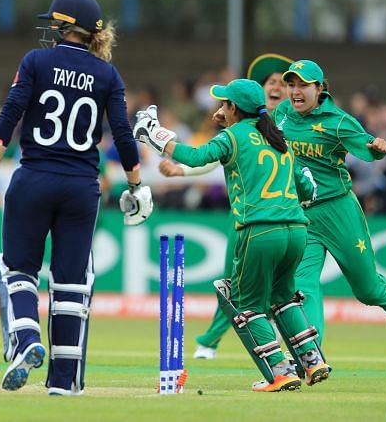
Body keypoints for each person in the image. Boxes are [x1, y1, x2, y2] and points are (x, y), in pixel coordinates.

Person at [0, 0, 152, 396]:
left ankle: (27, 338)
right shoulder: (108, 74)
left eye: (55, 23)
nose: (51, 29)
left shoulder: (36, 61)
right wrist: (136, 185)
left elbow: (10, 113)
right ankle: (64, 382)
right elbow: (122, 133)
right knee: (71, 283)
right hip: (81, 189)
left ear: (67, 26)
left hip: (33, 178)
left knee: (18, 269)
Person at [134, 79, 330, 392]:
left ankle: (281, 371)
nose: (220, 109)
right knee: (283, 298)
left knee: (245, 303)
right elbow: (307, 189)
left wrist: (155, 135)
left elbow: (197, 157)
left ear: (234, 108)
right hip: (296, 230)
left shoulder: (234, 136)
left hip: (260, 230)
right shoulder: (277, 137)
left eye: (224, 104)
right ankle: (311, 361)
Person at [159, 53, 294, 360]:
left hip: (268, 218)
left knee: (261, 293)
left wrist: (162, 141)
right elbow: (215, 158)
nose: (278, 88)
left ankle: (277, 359)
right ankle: (215, 339)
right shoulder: (251, 127)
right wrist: (182, 172)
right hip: (271, 219)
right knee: (240, 288)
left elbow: (205, 154)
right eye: (271, 83)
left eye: (282, 83)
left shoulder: (285, 123)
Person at [273, 59, 386, 342]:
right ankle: (312, 351)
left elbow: (368, 147)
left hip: (338, 210)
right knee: (302, 286)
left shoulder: (337, 121)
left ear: (320, 88)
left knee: (366, 290)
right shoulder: (283, 113)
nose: (295, 91)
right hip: (303, 215)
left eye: (303, 85)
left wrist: (378, 149)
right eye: (292, 85)